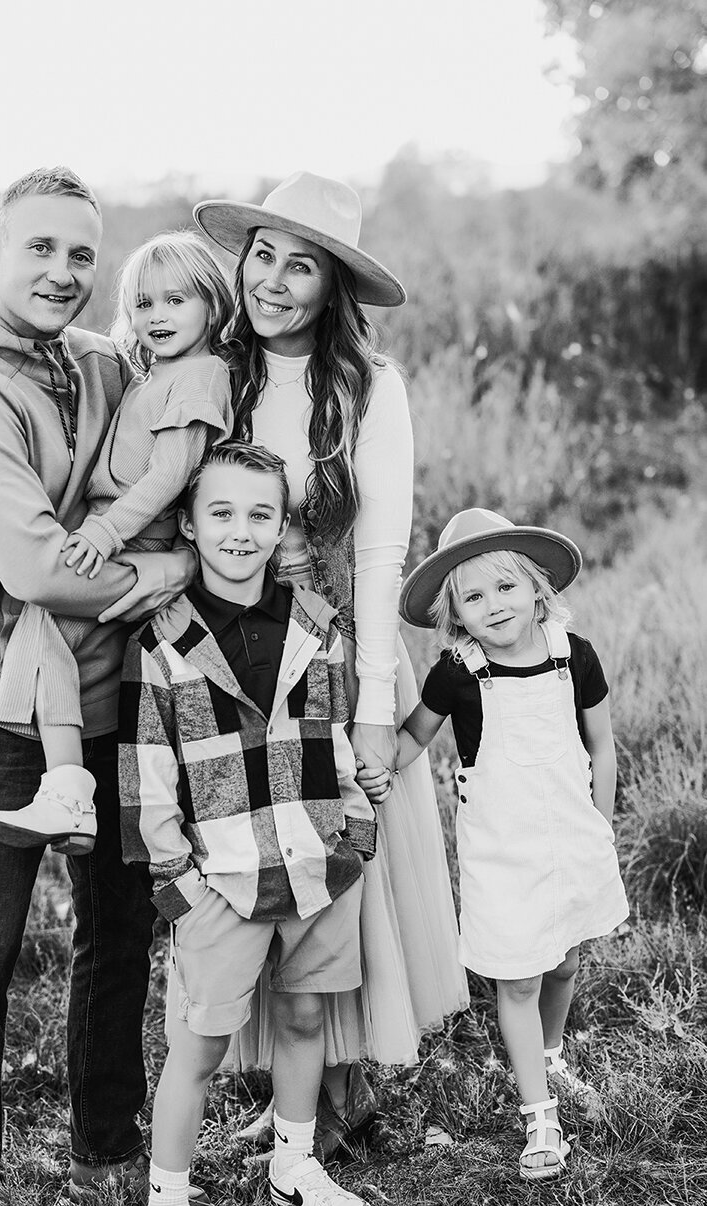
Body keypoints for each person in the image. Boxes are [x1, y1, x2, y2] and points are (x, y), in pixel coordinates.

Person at [0, 167, 196, 1206]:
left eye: (83, 254)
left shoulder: (98, 364)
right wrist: (173, 567)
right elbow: (30, 566)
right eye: (42, 250)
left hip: (115, 695)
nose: (65, 273)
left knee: (120, 935)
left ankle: (108, 1145)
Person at [193, 170, 469, 1155]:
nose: (271, 279)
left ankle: (345, 1086)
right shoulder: (213, 370)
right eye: (262, 254)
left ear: (331, 286)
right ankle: (288, 1084)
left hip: (341, 647)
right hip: (235, 657)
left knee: (342, 862)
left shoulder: (367, 387)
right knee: (258, 861)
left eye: (298, 264)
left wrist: (371, 710)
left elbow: (383, 551)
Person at [119, 442, 375, 1206]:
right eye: (221, 513)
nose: (240, 530)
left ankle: (295, 1162)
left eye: (259, 514)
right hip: (220, 880)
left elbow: (338, 742)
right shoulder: (163, 640)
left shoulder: (317, 623)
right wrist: (178, 888)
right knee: (196, 1049)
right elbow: (148, 773)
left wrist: (357, 837)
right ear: (189, 524)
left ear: (281, 526)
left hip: (316, 866)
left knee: (305, 1023)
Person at [0, 231, 233, 853]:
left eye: (177, 300)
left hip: (132, 544)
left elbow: (172, 473)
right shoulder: (160, 373)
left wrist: (103, 529)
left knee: (44, 617)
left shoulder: (201, 375)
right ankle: (67, 793)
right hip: (118, 539)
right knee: (43, 629)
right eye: (144, 304)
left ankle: (67, 793)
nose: (158, 316)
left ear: (213, 305)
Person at [398, 508, 629, 1178]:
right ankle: (539, 1119)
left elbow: (602, 746)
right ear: (456, 614)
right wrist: (379, 766)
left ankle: (552, 1057)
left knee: (562, 962)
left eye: (506, 588)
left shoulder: (572, 654)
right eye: (473, 596)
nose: (494, 606)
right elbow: (415, 737)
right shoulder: (458, 674)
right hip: (503, 850)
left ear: (537, 588)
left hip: (572, 836)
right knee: (520, 976)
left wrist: (603, 826)